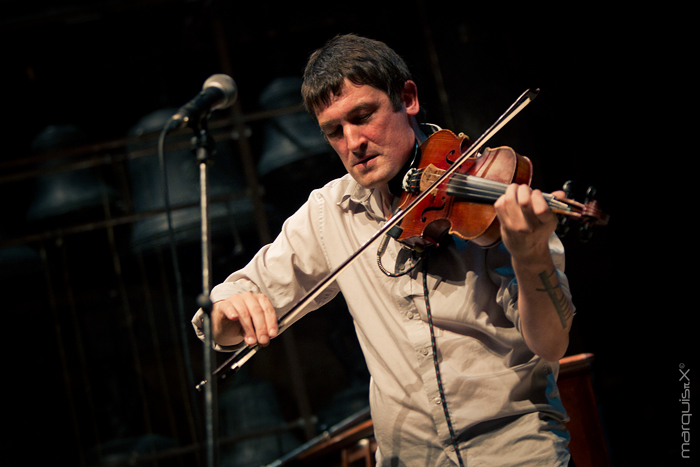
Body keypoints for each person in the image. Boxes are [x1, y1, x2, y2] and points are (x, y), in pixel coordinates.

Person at [192, 33, 575, 466]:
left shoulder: (489, 188)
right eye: (334, 131)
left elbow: (551, 342)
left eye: (362, 116)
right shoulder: (328, 213)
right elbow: (221, 314)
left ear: (407, 97)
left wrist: (529, 254)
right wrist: (227, 313)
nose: (353, 142)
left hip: (514, 453)